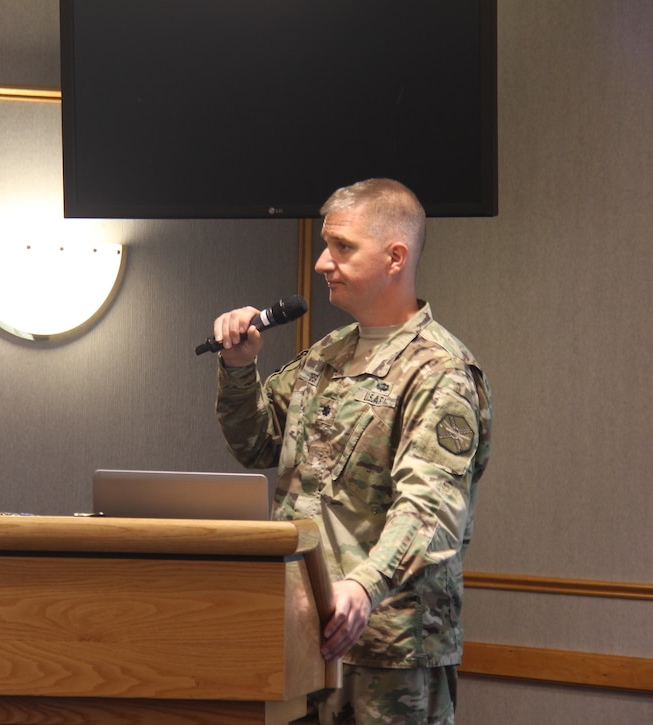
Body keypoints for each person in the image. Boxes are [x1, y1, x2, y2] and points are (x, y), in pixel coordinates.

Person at [211, 178, 492, 724]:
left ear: (395, 257)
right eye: (324, 245)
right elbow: (256, 444)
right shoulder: (328, 354)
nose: (321, 262)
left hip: (389, 647)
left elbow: (429, 509)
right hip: (301, 635)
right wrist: (240, 368)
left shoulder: (440, 371)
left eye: (342, 247)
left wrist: (363, 586)